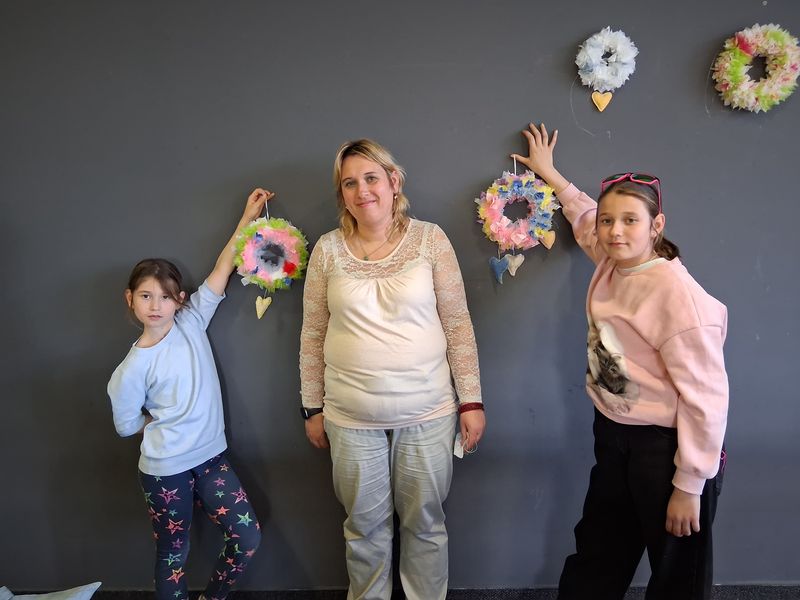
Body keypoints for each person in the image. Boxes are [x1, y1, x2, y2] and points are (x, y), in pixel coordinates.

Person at [512, 124, 728, 600]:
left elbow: (707, 399)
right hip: (614, 435)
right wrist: (550, 173)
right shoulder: (612, 259)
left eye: (630, 220)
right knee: (598, 555)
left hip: (668, 447)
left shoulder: (678, 297)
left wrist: (689, 484)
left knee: (677, 573)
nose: (614, 231)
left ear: (656, 225)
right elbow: (584, 216)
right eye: (609, 221)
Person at [299, 139, 485, 600]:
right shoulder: (327, 250)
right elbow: (312, 333)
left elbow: (457, 323)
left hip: (428, 412)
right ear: (342, 195)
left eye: (371, 178)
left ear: (393, 182)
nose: (362, 191)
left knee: (425, 524)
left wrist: (472, 401)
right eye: (350, 183)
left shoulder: (430, 239)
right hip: (349, 418)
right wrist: (311, 407)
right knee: (363, 529)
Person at [108, 189, 272, 600]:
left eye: (165, 296)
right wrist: (159, 422)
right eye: (146, 296)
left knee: (247, 538)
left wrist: (248, 217)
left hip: (211, 459)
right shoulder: (131, 370)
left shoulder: (192, 320)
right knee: (173, 555)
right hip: (165, 472)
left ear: (179, 300)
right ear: (130, 299)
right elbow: (127, 425)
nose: (156, 305)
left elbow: (223, 266)